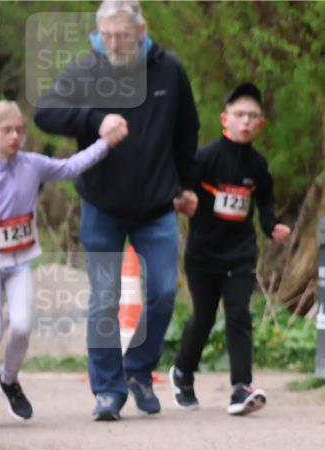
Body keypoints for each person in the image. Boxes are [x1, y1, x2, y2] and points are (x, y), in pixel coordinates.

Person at [34, 0, 200, 421]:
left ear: (141, 29)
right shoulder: (87, 70)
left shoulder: (169, 70)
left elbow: (187, 131)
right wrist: (94, 120)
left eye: (121, 35)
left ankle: (139, 372)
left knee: (163, 293)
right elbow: (45, 111)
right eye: (106, 35)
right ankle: (108, 391)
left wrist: (187, 187)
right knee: (104, 301)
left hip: (157, 206)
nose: (113, 43)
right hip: (102, 206)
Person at [0, 101, 125, 421]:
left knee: (23, 327)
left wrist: (104, 144)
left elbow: (70, 167)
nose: (15, 136)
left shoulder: (32, 165)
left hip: (20, 262)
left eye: (20, 130)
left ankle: (8, 380)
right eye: (6, 130)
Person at [169, 83, 290, 416]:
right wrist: (181, 200)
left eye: (253, 116)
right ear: (225, 118)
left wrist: (271, 226)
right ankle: (182, 373)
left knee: (238, 314)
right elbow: (182, 188)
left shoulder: (258, 165)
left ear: (261, 124)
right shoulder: (206, 157)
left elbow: (264, 202)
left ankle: (241, 388)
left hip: (240, 252)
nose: (246, 122)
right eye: (239, 115)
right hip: (204, 253)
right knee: (205, 318)